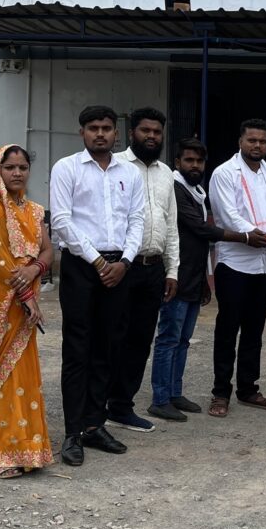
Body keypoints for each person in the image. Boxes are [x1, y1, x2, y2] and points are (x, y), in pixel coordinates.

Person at [150, 137, 266, 421]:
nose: (195, 165)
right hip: (176, 275)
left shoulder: (196, 191)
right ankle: (160, 398)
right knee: (168, 338)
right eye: (189, 160)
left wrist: (206, 278)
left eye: (199, 161)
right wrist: (243, 237)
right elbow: (200, 229)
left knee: (183, 340)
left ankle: (175, 393)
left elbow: (200, 242)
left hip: (193, 276)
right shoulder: (175, 189)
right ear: (177, 162)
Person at [50, 105, 145, 466]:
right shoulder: (66, 168)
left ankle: (94, 424)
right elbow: (61, 220)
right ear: (82, 133)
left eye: (106, 127)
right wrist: (98, 261)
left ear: (116, 133)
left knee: (108, 347)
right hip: (81, 266)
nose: (100, 133)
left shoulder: (129, 173)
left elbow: (136, 220)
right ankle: (73, 432)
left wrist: (125, 262)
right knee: (78, 349)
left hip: (119, 266)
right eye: (93, 128)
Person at [0, 145, 53, 478]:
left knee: (23, 378)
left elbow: (48, 251)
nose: (17, 173)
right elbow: (0, 263)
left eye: (23, 167)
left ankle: (27, 450)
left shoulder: (34, 211)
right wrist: (27, 294)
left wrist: (34, 270)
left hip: (22, 310)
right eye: (10, 167)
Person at [207, 119, 266, 418]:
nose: (257, 145)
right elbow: (229, 218)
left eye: (262, 141)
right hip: (235, 264)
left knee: (254, 331)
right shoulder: (224, 173)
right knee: (227, 329)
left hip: (265, 266)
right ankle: (221, 393)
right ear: (240, 142)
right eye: (252, 140)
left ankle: (248, 389)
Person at [106, 107, 179, 433]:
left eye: (157, 132)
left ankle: (122, 407)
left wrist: (172, 270)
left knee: (140, 341)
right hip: (121, 267)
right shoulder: (115, 166)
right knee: (113, 337)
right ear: (131, 132)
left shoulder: (167, 174)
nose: (151, 136)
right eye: (145, 130)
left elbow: (171, 225)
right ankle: (98, 406)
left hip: (153, 269)